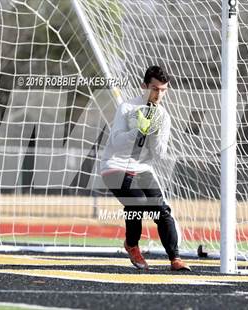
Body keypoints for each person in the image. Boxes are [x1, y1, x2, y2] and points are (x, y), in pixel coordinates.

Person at [100, 65, 190, 271]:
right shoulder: (127, 108)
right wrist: (138, 131)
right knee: (137, 202)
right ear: (144, 86)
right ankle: (131, 244)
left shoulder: (164, 117)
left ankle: (175, 258)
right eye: (155, 89)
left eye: (163, 90)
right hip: (114, 166)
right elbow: (115, 142)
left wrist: (154, 133)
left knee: (162, 211)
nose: (159, 94)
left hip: (142, 169)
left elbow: (159, 154)